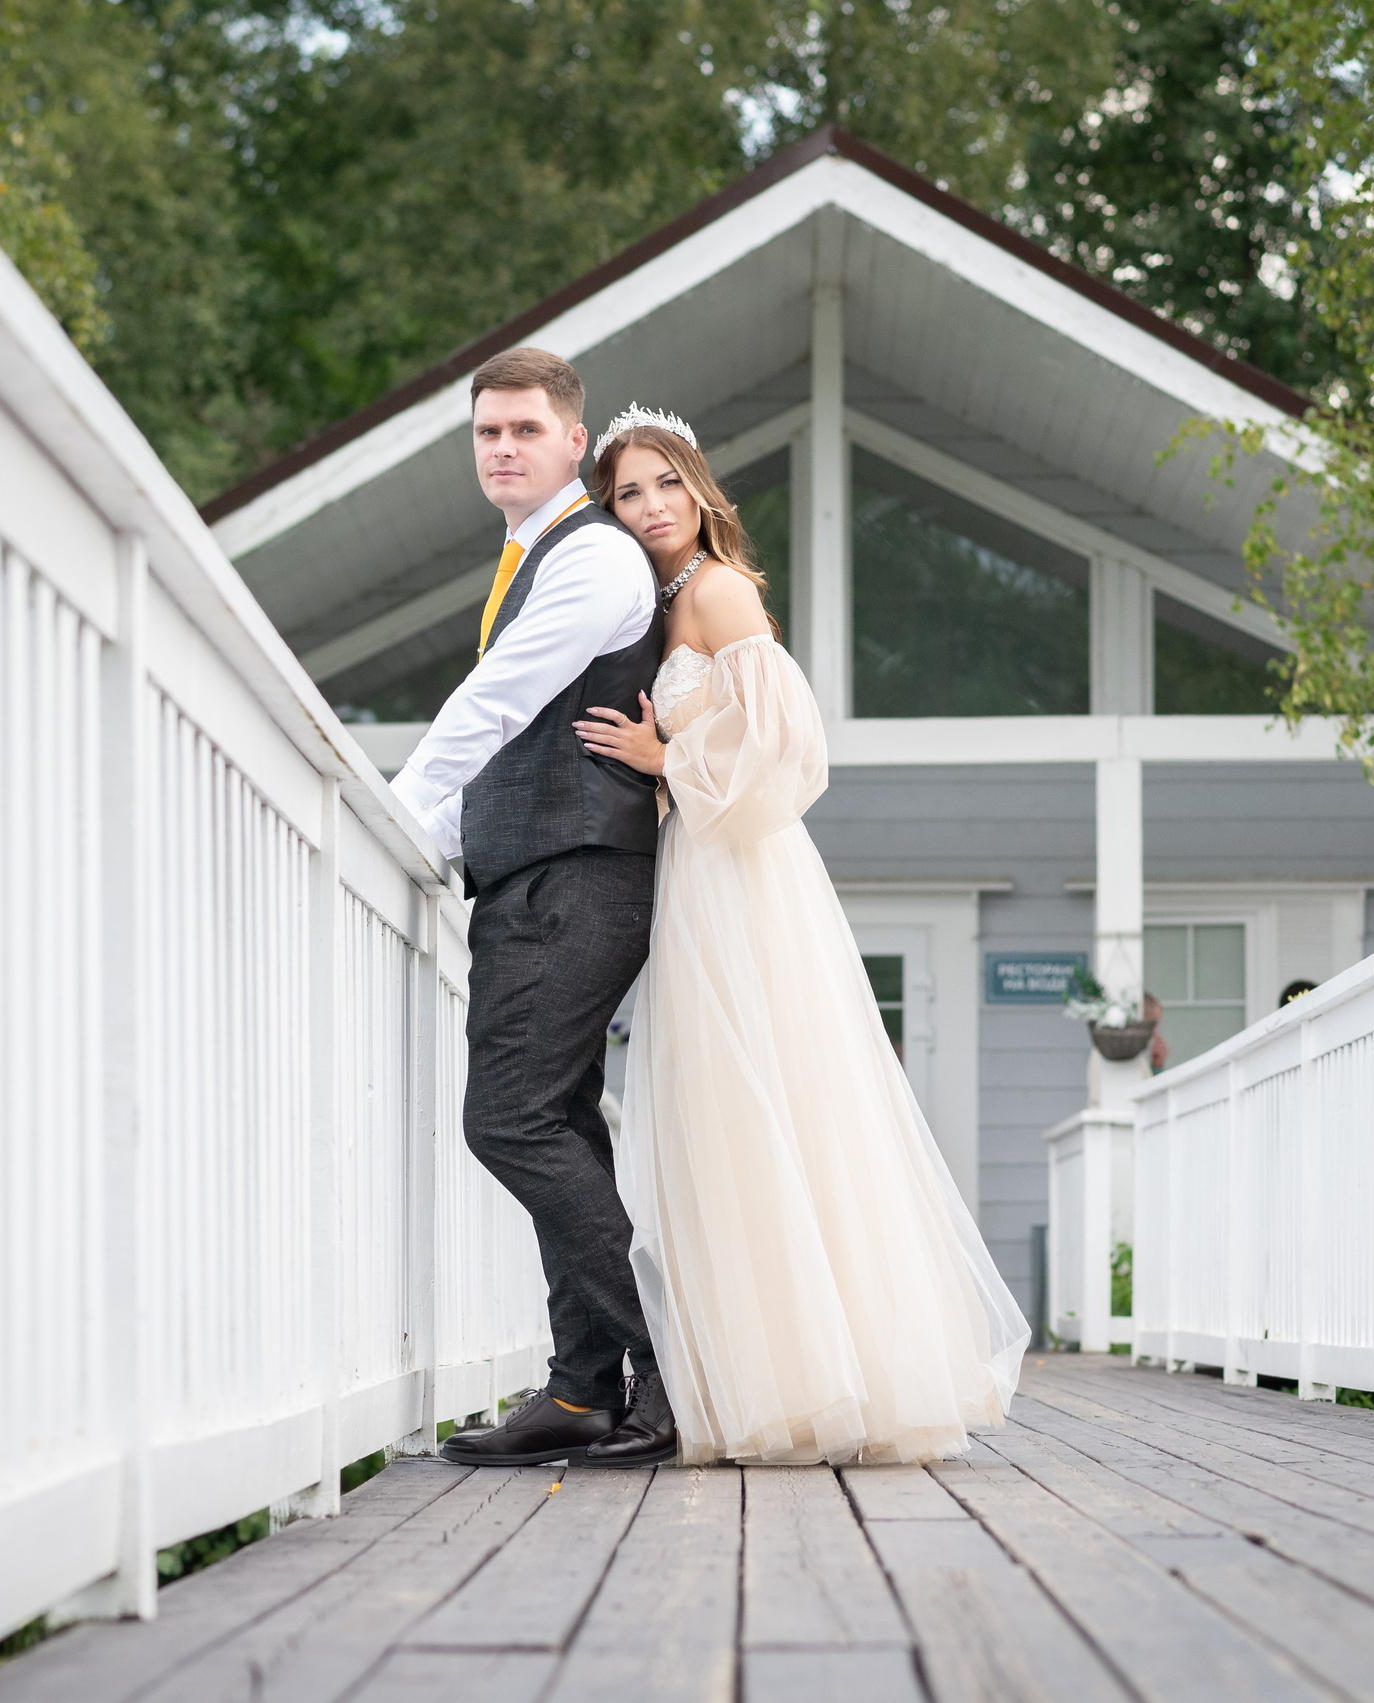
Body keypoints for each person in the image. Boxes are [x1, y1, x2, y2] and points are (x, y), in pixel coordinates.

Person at [573, 407, 1029, 1465]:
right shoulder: (668, 599)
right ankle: (766, 1376)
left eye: (662, 486)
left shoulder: (719, 589)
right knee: (720, 1115)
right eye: (626, 493)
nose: (647, 509)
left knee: (760, 1098)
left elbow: (790, 743)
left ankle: (812, 1379)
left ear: (698, 490)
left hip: (742, 873)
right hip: (699, 866)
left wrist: (661, 762)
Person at [388, 349, 675, 1469]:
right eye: (483, 433)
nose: (500, 448)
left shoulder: (592, 556)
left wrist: (397, 808)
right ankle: (579, 1389)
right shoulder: (525, 557)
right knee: (553, 1120)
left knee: (505, 1118)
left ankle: (664, 1367)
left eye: (521, 429)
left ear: (572, 441)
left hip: (578, 878)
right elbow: (516, 745)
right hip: (530, 875)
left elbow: (497, 703)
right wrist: (447, 836)